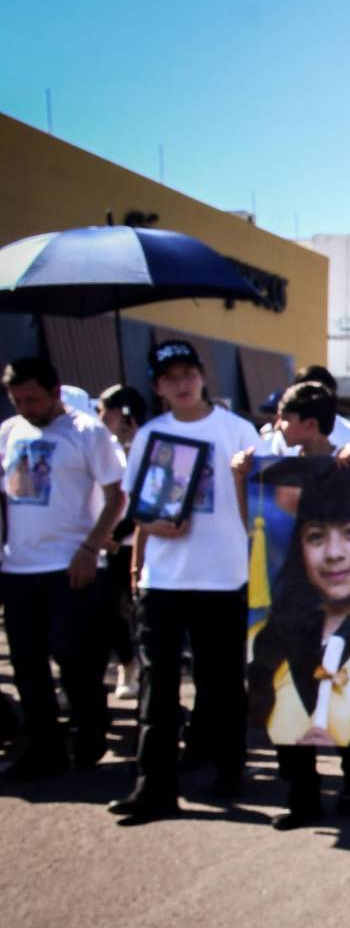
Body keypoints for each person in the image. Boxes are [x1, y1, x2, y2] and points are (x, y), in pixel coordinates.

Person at [111, 341, 262, 824]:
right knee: (159, 685)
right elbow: (135, 506)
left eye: (188, 372)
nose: (181, 382)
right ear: (157, 387)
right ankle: (152, 786)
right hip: (164, 581)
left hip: (225, 576)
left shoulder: (237, 431)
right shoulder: (153, 436)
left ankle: (230, 768)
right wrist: (156, 530)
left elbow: (263, 505)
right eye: (169, 376)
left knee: (221, 683)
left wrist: (243, 479)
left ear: (202, 377)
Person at [240, 415, 350, 830]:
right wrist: (239, 476)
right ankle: (303, 795)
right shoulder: (273, 637)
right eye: (316, 536)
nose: (333, 553)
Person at [0, 358, 126, 778]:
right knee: (28, 663)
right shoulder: (9, 432)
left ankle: (91, 725)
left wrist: (91, 548)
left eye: (32, 398)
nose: (25, 407)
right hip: (18, 566)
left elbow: (116, 497)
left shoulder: (88, 433)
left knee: (73, 657)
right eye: (16, 399)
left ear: (55, 392)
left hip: (72, 564)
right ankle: (44, 747)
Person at [95, 385, 148, 701]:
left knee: (130, 611)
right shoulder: (99, 443)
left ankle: (133, 667)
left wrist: (114, 537)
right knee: (105, 613)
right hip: (104, 542)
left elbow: (138, 496)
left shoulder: (144, 443)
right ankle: (123, 665)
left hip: (131, 542)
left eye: (103, 409)